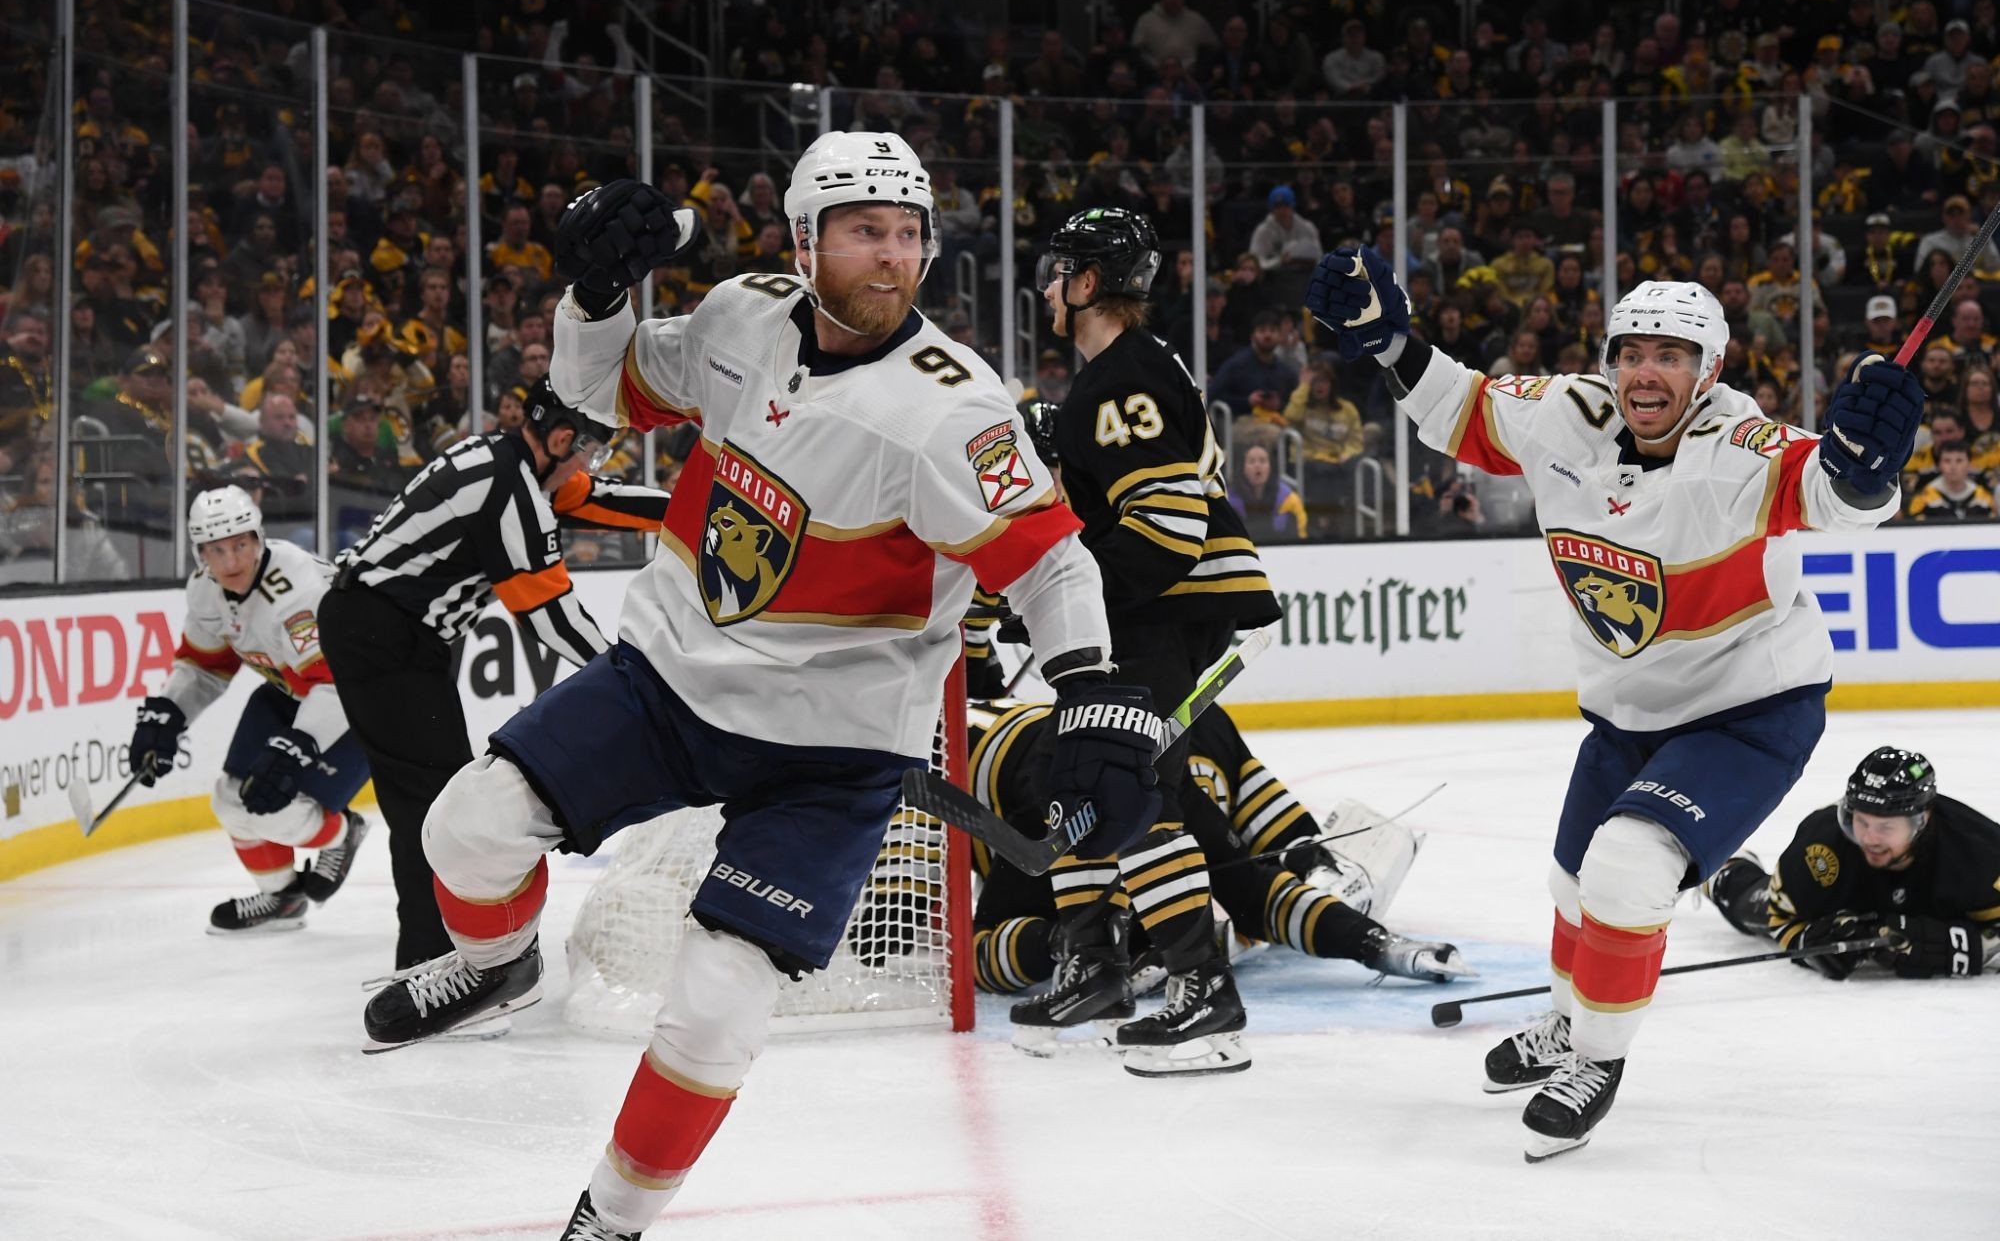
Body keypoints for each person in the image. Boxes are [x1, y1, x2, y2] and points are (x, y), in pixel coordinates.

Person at [359, 136, 1155, 1241]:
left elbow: (1052, 563)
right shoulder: (742, 316)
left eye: (909, 232)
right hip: (667, 682)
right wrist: (597, 295)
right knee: (463, 830)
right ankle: (498, 967)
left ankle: (609, 1221)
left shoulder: (955, 410)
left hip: (832, 753)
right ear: (803, 241)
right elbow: (599, 387)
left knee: (715, 1008)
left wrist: (1090, 690)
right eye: (865, 231)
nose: (893, 256)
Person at [1306, 251, 1920, 1160]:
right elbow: (1463, 408)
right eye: (1631, 352)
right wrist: (1391, 343)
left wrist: (1867, 468)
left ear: (1709, 371)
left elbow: (1830, 493)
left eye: (1671, 355)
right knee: (1572, 882)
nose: (1646, 372)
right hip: (1629, 712)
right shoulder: (1567, 413)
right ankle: (1570, 1020)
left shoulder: (1739, 447)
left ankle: (1597, 1057)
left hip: (1749, 708)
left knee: (1627, 867)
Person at [1022, 205, 1283, 1077]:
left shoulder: (1121, 381)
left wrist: (1064, 592)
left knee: (1125, 791)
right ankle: (1094, 967)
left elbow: (1166, 533)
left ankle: (1204, 990)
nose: (1048, 288)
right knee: (1073, 781)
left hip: (1162, 612)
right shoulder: (1112, 378)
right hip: (1147, 612)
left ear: (1090, 284)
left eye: (1061, 272)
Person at [320, 377, 670, 972]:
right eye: (589, 450)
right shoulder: (509, 489)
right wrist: (628, 682)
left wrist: (693, 507)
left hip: (386, 632)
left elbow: (598, 499)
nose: (588, 464)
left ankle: (437, 953)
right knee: (431, 805)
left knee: (434, 799)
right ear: (560, 438)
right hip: (383, 635)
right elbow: (551, 615)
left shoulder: (505, 461)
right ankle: (431, 961)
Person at [963, 698, 1474, 1005]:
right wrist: (1062, 942)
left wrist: (1374, 943)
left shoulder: (1179, 773)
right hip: (956, 760)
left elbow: (1255, 894)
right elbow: (976, 955)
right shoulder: (1048, 817)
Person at [126, 487, 371, 933]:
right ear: (200, 554)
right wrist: (169, 712)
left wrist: (297, 745)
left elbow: (336, 683)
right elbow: (205, 665)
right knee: (231, 799)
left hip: (361, 700)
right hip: (292, 691)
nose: (231, 561)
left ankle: (341, 834)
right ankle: (282, 898)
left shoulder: (295, 590)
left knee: (277, 809)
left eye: (240, 545)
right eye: (216, 550)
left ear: (259, 539)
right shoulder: (205, 590)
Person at [1706, 747, 2000, 979]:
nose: (1869, 838)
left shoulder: (1981, 852)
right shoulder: (1821, 845)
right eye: (1861, 822)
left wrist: (1958, 945)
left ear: (1921, 821)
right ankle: (1726, 870)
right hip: (1847, 899)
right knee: (1748, 904)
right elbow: (1782, 917)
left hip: (1949, 907)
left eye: (1886, 828)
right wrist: (1809, 943)